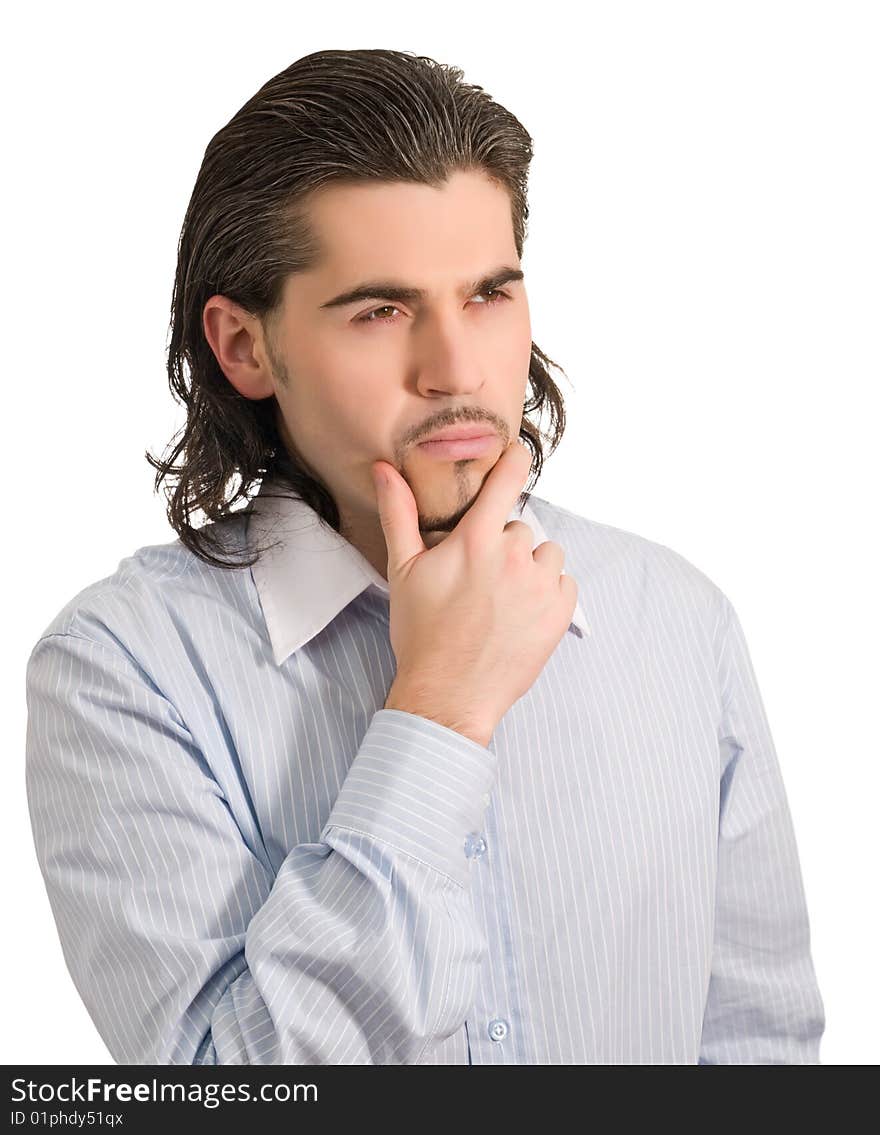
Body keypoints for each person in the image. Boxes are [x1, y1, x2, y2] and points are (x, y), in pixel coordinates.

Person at [24, 47, 825, 1065]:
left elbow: (762, 1054)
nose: (457, 370)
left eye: (489, 296)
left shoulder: (674, 617)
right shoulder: (121, 670)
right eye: (380, 311)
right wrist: (439, 708)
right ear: (243, 347)